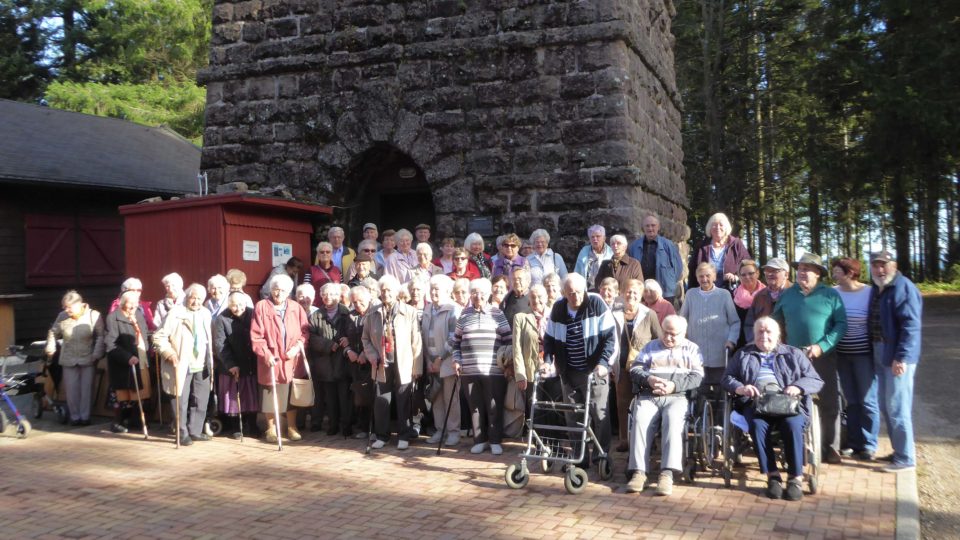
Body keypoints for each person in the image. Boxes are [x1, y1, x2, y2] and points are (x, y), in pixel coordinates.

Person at [722, 317, 824, 502]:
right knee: (757, 425)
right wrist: (741, 388)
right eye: (760, 331)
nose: (764, 335)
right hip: (756, 403)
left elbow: (815, 380)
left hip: (788, 403)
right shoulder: (743, 354)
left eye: (768, 331)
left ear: (778, 335)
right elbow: (727, 378)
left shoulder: (793, 354)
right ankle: (773, 475)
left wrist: (798, 387)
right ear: (754, 334)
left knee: (792, 425)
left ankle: (795, 477)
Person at [772, 252, 847, 464]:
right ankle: (797, 445)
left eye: (807, 269)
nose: (802, 272)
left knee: (829, 402)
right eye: (800, 269)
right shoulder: (788, 295)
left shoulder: (830, 295)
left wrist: (822, 346)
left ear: (818, 273)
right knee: (792, 401)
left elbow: (841, 324)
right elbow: (775, 321)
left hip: (823, 357)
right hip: (793, 359)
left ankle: (831, 447)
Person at [542, 273, 617, 467]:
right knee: (572, 415)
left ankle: (601, 455)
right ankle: (579, 457)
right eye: (570, 293)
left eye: (578, 292)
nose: (575, 297)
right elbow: (549, 339)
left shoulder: (596, 303)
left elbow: (610, 338)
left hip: (594, 370)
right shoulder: (558, 308)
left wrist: (604, 363)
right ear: (564, 293)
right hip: (569, 371)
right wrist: (548, 361)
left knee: (599, 414)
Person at [624, 315, 703, 496]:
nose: (668, 337)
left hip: (677, 396)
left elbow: (697, 377)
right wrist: (649, 379)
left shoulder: (692, 349)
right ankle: (639, 472)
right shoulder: (650, 347)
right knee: (640, 419)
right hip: (649, 395)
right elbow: (635, 369)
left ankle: (667, 473)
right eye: (665, 332)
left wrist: (673, 385)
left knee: (673, 420)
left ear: (683, 333)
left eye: (673, 334)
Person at [869, 251, 922, 473]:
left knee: (897, 406)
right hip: (880, 351)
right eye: (875, 265)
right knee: (885, 404)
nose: (879, 269)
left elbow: (911, 327)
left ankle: (906, 458)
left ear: (894, 265)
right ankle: (898, 450)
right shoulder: (878, 288)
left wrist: (902, 357)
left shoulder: (903, 287)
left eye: (884, 265)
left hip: (896, 355)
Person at [362, 274, 423, 450]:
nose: (386, 293)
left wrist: (417, 367)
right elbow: (365, 338)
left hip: (404, 361)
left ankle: (404, 435)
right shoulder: (373, 312)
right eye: (383, 290)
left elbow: (416, 341)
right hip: (381, 362)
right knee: (381, 399)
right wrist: (372, 355)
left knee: (403, 399)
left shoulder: (409, 311)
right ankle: (382, 435)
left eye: (389, 290)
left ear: (396, 292)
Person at [452, 278, 512, 455]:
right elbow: (455, 342)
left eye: (482, 293)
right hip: (469, 370)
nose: (478, 296)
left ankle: (495, 440)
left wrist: (508, 364)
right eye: (474, 293)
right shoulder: (464, 315)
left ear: (488, 294)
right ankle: (480, 440)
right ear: (470, 295)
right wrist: (456, 360)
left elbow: (508, 341)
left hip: (493, 370)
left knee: (494, 406)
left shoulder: (497, 314)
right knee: (475, 407)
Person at [251, 273, 310, 443]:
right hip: (271, 359)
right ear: (271, 290)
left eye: (283, 290)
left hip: (291, 359)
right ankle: (270, 428)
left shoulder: (296, 308)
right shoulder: (261, 307)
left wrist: (297, 347)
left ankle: (291, 427)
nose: (279, 293)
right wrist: (266, 354)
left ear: (288, 292)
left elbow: (305, 332)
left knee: (291, 393)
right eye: (276, 289)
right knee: (270, 393)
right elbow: (256, 336)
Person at [153, 283, 214, 446]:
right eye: (193, 298)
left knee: (201, 400)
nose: (196, 302)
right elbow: (158, 337)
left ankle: (195, 430)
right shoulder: (175, 314)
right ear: (187, 297)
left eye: (199, 299)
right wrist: (168, 353)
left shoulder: (206, 313)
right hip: (181, 362)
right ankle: (181, 432)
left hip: (202, 362)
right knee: (180, 400)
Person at [830, 257, 879, 461]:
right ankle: (853, 442)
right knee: (850, 400)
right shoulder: (834, 292)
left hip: (864, 355)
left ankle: (869, 444)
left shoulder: (869, 292)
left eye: (837, 271)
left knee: (867, 400)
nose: (833, 275)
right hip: (842, 355)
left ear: (850, 273)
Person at [615, 279, 662, 452]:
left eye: (635, 292)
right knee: (622, 404)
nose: (631, 295)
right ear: (622, 293)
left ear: (641, 295)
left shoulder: (649, 314)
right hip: (621, 366)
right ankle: (624, 439)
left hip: (644, 368)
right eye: (628, 291)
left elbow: (659, 339)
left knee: (645, 403)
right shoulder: (614, 312)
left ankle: (649, 438)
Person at [45, 290, 105, 426]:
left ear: (79, 304)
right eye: (64, 307)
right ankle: (75, 417)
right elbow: (53, 332)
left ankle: (85, 417)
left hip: (88, 357)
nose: (66, 310)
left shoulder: (93, 315)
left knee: (86, 389)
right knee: (71, 390)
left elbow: (101, 335)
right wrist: (51, 346)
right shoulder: (62, 316)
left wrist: (97, 353)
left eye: (68, 307)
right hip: (69, 357)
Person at [680, 263, 740, 385]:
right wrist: (681, 339)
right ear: (697, 278)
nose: (704, 279)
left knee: (719, 388)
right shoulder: (690, 294)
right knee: (698, 388)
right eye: (701, 276)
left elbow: (735, 322)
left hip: (719, 351)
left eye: (708, 275)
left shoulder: (724, 294)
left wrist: (731, 340)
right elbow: (681, 320)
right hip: (695, 352)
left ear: (714, 277)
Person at [212, 291, 260, 439]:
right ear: (228, 305)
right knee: (233, 398)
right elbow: (220, 345)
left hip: (250, 363)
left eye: (240, 304)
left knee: (251, 396)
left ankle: (252, 425)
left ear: (245, 303)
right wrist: (231, 364)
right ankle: (236, 427)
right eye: (234, 305)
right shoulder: (221, 319)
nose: (238, 308)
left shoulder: (253, 314)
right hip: (230, 365)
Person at [308, 282, 352, 437]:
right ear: (321, 296)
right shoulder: (316, 316)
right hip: (325, 362)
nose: (328, 297)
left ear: (338, 296)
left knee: (345, 397)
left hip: (343, 361)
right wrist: (328, 345)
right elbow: (311, 338)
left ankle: (346, 425)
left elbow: (354, 331)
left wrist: (348, 339)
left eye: (332, 294)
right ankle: (333, 425)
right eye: (325, 294)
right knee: (330, 397)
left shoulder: (346, 313)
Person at [422, 275, 461, 446]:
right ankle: (440, 430)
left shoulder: (453, 309)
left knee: (450, 398)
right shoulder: (428, 308)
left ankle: (453, 432)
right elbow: (423, 336)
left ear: (446, 291)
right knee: (436, 397)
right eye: (432, 289)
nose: (433, 292)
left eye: (437, 289)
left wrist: (440, 358)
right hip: (431, 362)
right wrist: (429, 360)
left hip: (447, 361)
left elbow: (454, 337)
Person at [105, 291, 152, 434]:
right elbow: (110, 344)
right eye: (130, 303)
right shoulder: (113, 318)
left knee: (140, 393)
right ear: (122, 303)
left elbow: (144, 333)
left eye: (136, 303)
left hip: (141, 359)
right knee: (122, 394)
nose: (133, 306)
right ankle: (117, 422)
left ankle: (136, 420)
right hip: (124, 362)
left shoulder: (138, 315)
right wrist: (127, 357)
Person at [628, 213, 684, 304]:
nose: (650, 228)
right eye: (647, 226)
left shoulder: (668, 245)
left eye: (653, 225)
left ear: (658, 227)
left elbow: (678, 268)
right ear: (643, 228)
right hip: (642, 291)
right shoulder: (634, 246)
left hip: (665, 292)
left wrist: (669, 283)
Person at [688, 212, 751, 290]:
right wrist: (691, 292)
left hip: (731, 291)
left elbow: (748, 265)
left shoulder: (736, 244)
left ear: (726, 228)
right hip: (706, 292)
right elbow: (693, 271)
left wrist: (736, 277)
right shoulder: (701, 246)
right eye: (714, 225)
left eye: (721, 225)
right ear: (709, 228)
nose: (717, 227)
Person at [343, 285, 374, 440]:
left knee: (373, 396)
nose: (357, 304)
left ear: (368, 298)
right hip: (355, 363)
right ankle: (364, 427)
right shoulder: (350, 316)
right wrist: (348, 350)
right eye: (354, 302)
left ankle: (375, 429)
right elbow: (342, 338)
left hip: (372, 361)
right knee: (361, 396)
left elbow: (377, 337)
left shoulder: (375, 313)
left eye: (360, 301)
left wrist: (365, 353)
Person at [744, 257, 792, 344]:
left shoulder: (794, 293)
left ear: (786, 274)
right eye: (767, 271)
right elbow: (749, 324)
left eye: (774, 271)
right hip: (764, 346)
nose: (769, 274)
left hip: (790, 347)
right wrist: (754, 341)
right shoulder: (759, 296)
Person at [732, 260, 766, 347]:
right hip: (740, 340)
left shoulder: (767, 294)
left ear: (757, 273)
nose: (747, 277)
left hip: (764, 338)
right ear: (739, 277)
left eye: (751, 273)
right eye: (743, 275)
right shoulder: (733, 295)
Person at [574, 224, 613, 290]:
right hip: (587, 289)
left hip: (606, 289)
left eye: (598, 236)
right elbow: (577, 272)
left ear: (604, 238)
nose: (595, 239)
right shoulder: (584, 251)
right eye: (592, 237)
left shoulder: (611, 252)